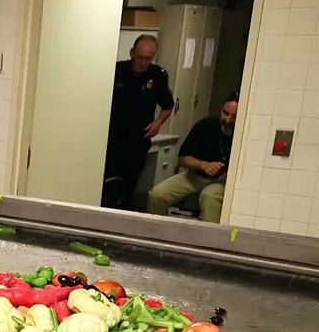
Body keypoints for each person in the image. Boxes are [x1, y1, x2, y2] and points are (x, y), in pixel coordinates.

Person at [102, 35, 175, 210]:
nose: (142, 63)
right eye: (139, 57)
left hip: (138, 141)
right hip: (112, 139)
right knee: (108, 186)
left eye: (148, 59)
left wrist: (158, 122)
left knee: (128, 187)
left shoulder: (158, 75)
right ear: (132, 53)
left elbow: (168, 105)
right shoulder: (117, 70)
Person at [146, 93, 239, 223]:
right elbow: (183, 158)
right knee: (157, 195)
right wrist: (203, 165)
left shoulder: (243, 134)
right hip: (194, 177)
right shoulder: (205, 126)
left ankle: (208, 242)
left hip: (221, 183)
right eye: (226, 113)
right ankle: (158, 235)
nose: (228, 119)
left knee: (209, 197)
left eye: (234, 116)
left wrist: (228, 175)